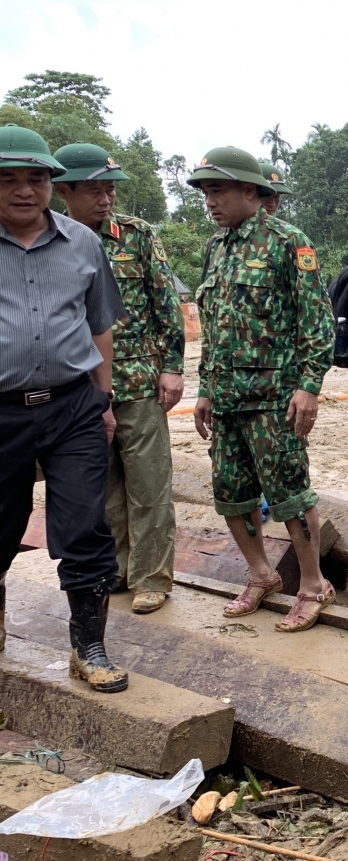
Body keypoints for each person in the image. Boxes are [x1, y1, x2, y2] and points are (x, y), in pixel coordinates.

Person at [0, 124, 128, 692]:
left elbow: (100, 327)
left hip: (74, 406)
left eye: (36, 179)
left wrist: (102, 401)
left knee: (84, 526)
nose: (24, 190)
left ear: (52, 183)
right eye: (9, 180)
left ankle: (89, 648)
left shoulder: (84, 244)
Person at [188, 146, 336, 633]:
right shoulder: (216, 247)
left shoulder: (288, 242)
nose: (210, 201)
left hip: (275, 398)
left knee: (291, 495)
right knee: (231, 493)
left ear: (251, 191)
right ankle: (260, 574)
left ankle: (314, 584)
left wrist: (308, 387)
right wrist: (206, 388)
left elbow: (317, 324)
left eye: (219, 190)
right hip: (227, 399)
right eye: (206, 191)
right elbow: (213, 323)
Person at [52, 142, 185, 615]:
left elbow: (165, 304)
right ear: (61, 190)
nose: (106, 198)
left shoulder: (136, 235)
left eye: (110, 189)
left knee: (148, 484)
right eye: (94, 189)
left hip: (139, 381)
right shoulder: (52, 239)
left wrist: (171, 366)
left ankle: (153, 576)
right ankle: (118, 568)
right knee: (102, 488)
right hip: (81, 386)